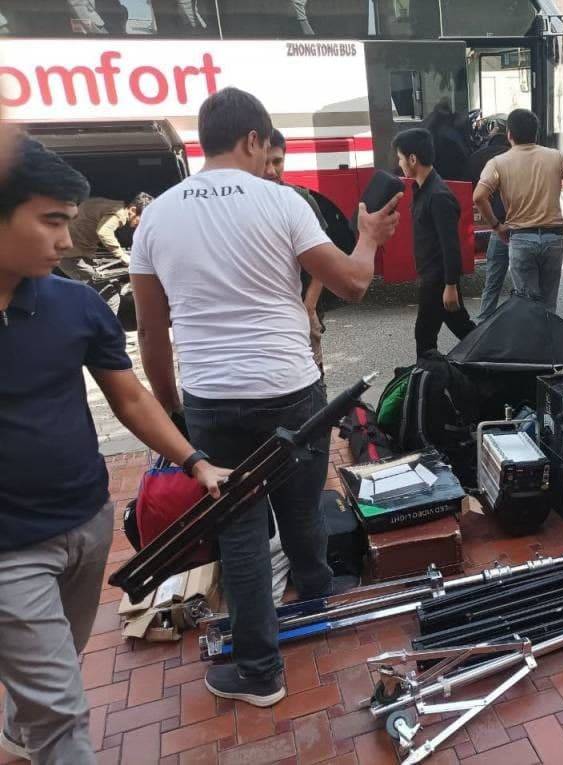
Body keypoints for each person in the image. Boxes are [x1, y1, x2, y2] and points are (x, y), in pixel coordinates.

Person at [131, 87, 401, 705]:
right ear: (253, 139)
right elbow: (354, 283)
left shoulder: (157, 217)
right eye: (265, 148)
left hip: (212, 400)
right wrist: (368, 236)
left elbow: (150, 330)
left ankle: (258, 672)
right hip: (290, 389)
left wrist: (174, 412)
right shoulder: (282, 202)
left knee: (240, 531)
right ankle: (318, 591)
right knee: (302, 504)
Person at [0, 137, 229, 763]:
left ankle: (17, 731)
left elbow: (129, 399)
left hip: (86, 521)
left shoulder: (74, 304)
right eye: (51, 221)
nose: (65, 242)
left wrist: (195, 461)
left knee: (61, 661)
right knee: (62, 710)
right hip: (9, 548)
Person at [474, 108, 563, 312]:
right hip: (553, 238)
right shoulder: (556, 157)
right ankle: (548, 333)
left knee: (527, 309)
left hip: (521, 238)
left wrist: (497, 226)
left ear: (509, 134)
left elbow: (479, 196)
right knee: (548, 306)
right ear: (536, 134)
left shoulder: (498, 163)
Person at [394, 128, 476, 356]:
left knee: (425, 334)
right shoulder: (422, 190)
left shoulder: (438, 196)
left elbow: (450, 246)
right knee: (462, 328)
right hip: (432, 277)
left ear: (412, 159)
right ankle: (493, 360)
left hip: (437, 280)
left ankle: (429, 374)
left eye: (400, 158)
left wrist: (450, 286)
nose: (399, 163)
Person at [264, 129, 330, 374]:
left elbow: (324, 262)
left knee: (313, 377)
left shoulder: (300, 199)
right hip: (265, 319)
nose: (271, 170)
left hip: (303, 308)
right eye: (265, 162)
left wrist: (308, 307)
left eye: (277, 161)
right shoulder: (239, 204)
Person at [468, 123, 511, 321]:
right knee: (524, 286)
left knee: (492, 281)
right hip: (523, 226)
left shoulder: (481, 158)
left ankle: (484, 322)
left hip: (500, 226)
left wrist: (494, 224)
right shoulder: (514, 159)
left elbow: (477, 196)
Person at [59, 192, 152, 284]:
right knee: (101, 286)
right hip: (69, 255)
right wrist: (122, 255)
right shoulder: (118, 214)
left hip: (76, 247)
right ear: (133, 210)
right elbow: (104, 232)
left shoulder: (113, 205)